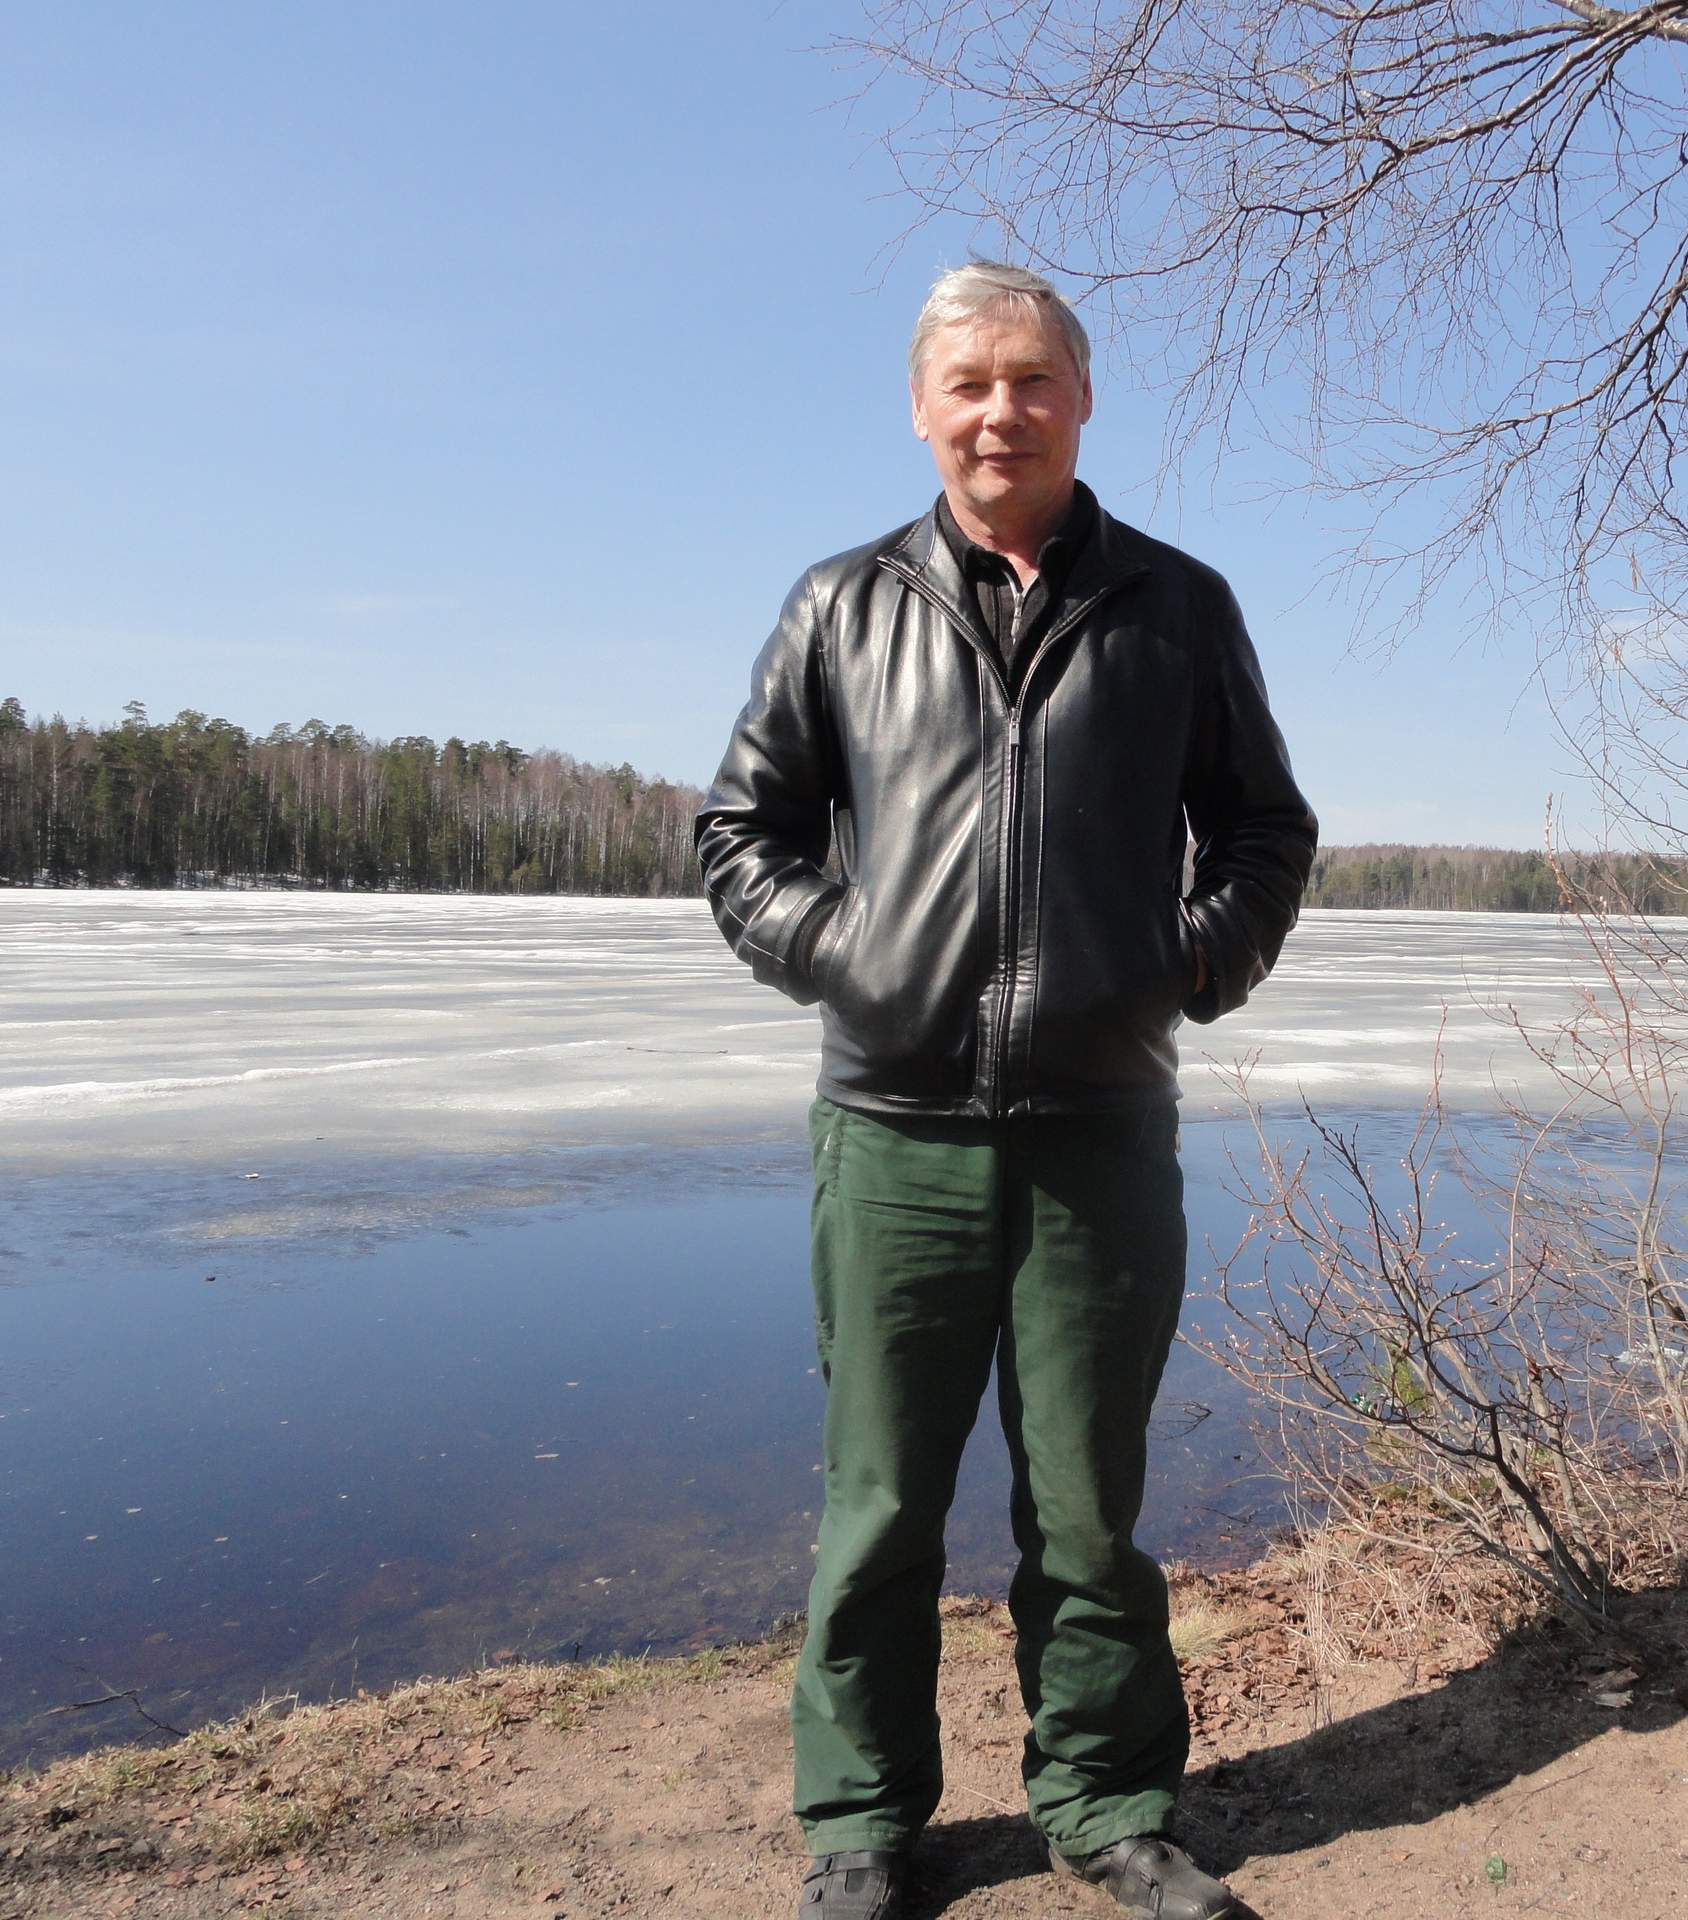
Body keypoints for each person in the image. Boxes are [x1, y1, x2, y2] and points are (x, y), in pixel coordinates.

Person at [698, 260, 1317, 1920]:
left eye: (1033, 379)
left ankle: (1107, 1804)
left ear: (1082, 399)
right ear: (921, 408)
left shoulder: (1176, 607)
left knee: (1089, 1509)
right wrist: (859, 958)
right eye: (968, 383)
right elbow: (740, 838)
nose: (1001, 411)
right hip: (891, 1138)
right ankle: (862, 1824)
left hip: (1100, 1132)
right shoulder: (843, 606)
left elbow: (1265, 832)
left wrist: (1181, 964)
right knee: (880, 1506)